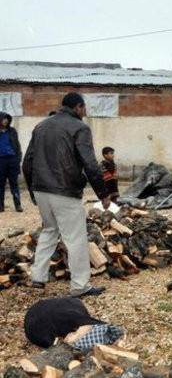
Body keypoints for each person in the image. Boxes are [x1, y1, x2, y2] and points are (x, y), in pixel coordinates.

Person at [22, 92, 109, 297]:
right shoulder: (80, 128)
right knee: (75, 238)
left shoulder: (41, 126)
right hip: (65, 190)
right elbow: (90, 163)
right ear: (78, 107)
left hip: (41, 188)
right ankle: (80, 286)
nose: (85, 112)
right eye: (84, 108)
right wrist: (103, 193)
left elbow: (27, 162)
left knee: (49, 231)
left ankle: (38, 277)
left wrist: (33, 190)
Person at [0, 111, 23, 212]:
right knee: (1, 184)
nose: (5, 120)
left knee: (14, 183)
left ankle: (18, 205)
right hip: (1, 161)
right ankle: (1, 205)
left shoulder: (12, 131)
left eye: (7, 118)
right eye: (4, 118)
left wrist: (18, 159)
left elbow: (17, 146)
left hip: (12, 160)